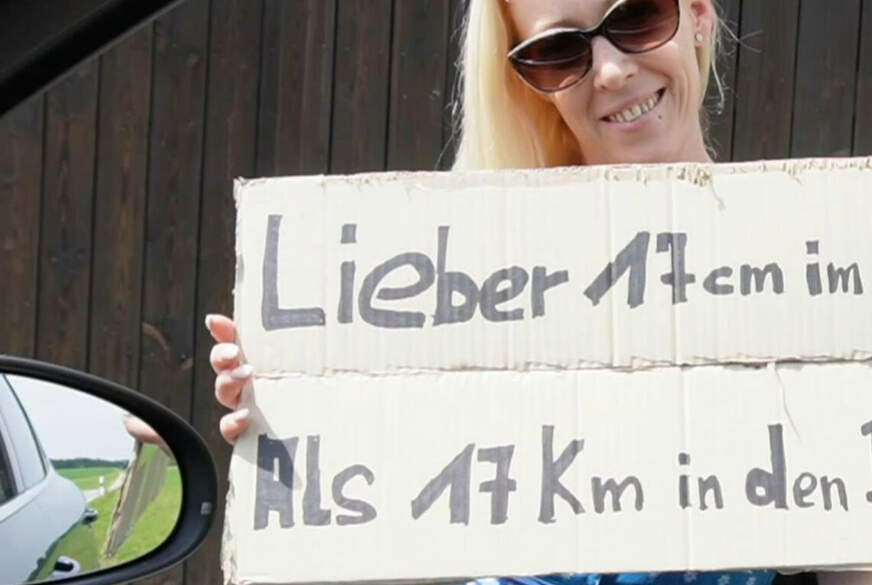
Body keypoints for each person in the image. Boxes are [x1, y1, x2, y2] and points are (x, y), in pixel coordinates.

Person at [205, 2, 864, 585]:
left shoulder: (818, 274)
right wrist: (292, 425)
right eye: (559, 51)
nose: (611, 71)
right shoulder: (464, 295)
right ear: (530, 84)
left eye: (638, 17)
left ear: (697, 14)